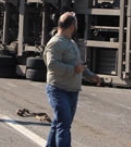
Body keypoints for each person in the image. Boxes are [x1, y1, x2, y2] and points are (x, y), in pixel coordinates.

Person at [43, 12, 100, 147]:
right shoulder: (55, 43)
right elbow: (52, 65)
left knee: (59, 123)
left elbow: (78, 65)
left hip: (72, 91)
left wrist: (90, 75)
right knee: (64, 125)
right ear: (72, 26)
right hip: (58, 89)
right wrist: (73, 70)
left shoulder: (71, 43)